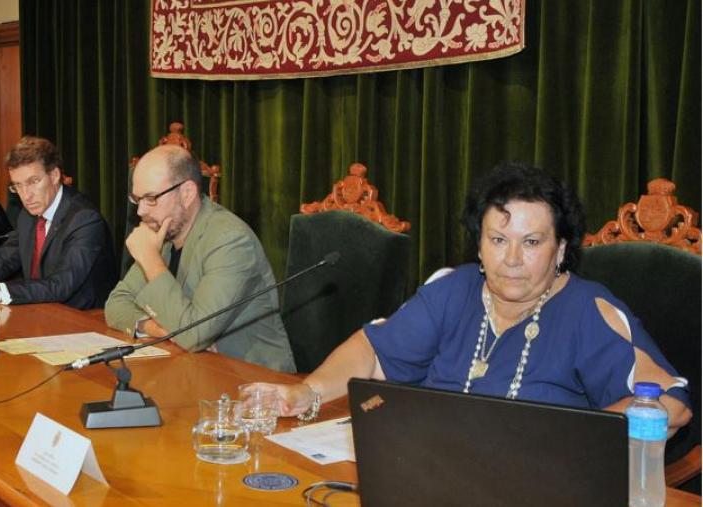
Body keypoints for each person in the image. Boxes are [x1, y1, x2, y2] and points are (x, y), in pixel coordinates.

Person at [259, 162, 691, 433]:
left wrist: (574, 439)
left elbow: (671, 405)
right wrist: (307, 392)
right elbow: (372, 352)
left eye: (532, 242)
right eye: (498, 240)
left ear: (560, 249)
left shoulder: (587, 310)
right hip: (431, 472)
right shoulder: (454, 290)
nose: (513, 259)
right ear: (479, 247)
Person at [105, 144, 296, 373]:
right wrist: (161, 330)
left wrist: (150, 260)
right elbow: (115, 305)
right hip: (192, 369)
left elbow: (194, 335)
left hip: (251, 379)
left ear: (187, 193)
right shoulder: (163, 234)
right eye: (138, 199)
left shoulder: (230, 239)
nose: (141, 211)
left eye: (151, 198)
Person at [0, 136, 118, 310]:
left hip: (82, 319)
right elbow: (2, 261)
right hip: (40, 311)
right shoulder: (28, 215)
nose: (26, 195)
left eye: (33, 181)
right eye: (17, 185)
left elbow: (60, 285)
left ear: (54, 175)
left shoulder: (84, 219)